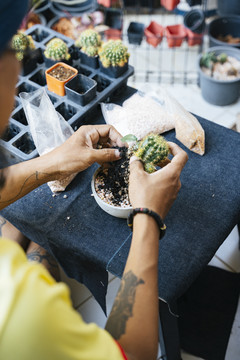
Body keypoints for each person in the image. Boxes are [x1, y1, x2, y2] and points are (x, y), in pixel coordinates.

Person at [0, 1, 188, 359]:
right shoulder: (16, 305)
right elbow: (131, 353)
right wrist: (148, 216)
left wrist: (54, 162)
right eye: (13, 45)